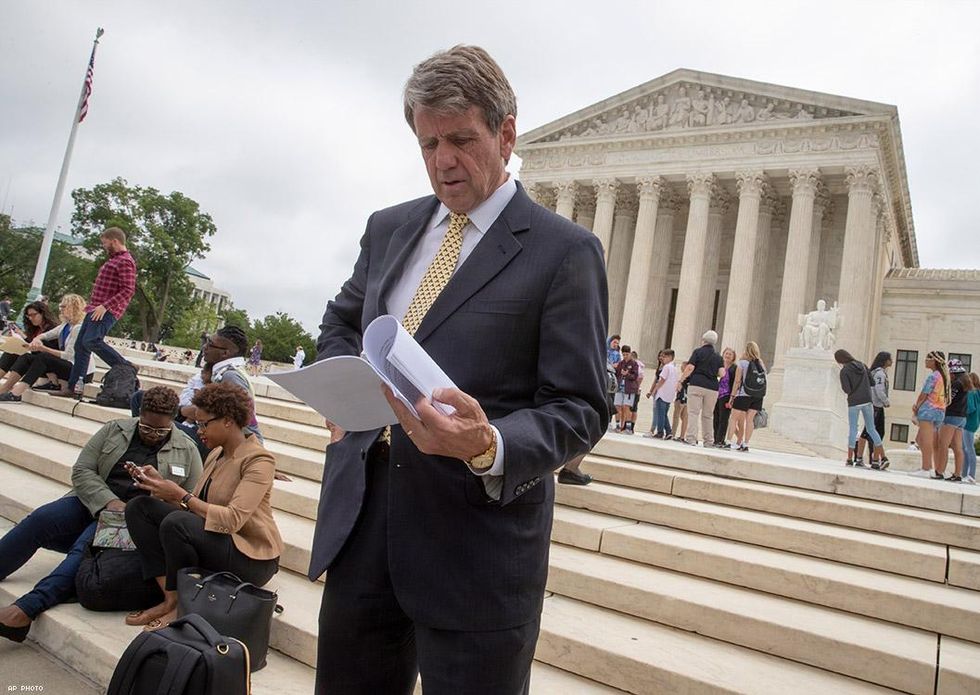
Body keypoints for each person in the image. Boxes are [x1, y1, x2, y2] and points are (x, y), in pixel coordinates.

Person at [310, 45, 608, 695]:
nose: (443, 161)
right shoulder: (388, 228)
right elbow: (339, 322)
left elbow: (582, 406)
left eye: (462, 139)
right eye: (428, 143)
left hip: (478, 548)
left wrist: (489, 443)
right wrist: (340, 382)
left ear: (506, 133)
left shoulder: (566, 252)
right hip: (363, 528)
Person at [0, 387, 201, 643]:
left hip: (133, 522)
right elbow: (82, 470)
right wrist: (109, 501)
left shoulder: (187, 449)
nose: (153, 436)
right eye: (147, 428)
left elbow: (189, 501)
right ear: (140, 415)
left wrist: (160, 492)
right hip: (92, 500)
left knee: (84, 546)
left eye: (161, 431)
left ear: (172, 421)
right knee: (41, 519)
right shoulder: (114, 429)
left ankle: (27, 609)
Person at [124, 383, 282, 630]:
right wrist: (162, 487)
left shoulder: (259, 460)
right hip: (217, 541)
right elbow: (195, 508)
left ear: (228, 421)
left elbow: (232, 520)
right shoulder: (216, 453)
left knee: (178, 523)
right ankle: (171, 598)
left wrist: (182, 496)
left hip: (251, 557)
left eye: (203, 424)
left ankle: (182, 606)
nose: (199, 431)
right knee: (140, 507)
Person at [60, 227, 138, 398]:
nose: (104, 247)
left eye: (105, 243)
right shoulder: (113, 260)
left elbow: (128, 289)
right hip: (94, 309)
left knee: (92, 341)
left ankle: (125, 366)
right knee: (81, 346)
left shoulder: (125, 261)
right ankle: (74, 387)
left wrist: (106, 306)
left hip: (105, 310)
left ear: (115, 241)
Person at [0, 295, 93, 402]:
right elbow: (47, 335)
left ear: (73, 307)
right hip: (67, 365)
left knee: (44, 356)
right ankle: (7, 387)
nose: (60, 309)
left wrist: (43, 348)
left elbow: (69, 355)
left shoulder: (78, 328)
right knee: (26, 357)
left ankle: (16, 393)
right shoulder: (66, 325)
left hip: (80, 371)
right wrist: (37, 339)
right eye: (60, 306)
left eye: (63, 307)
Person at [200, 325, 263, 441]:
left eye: (210, 343)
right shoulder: (222, 372)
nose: (204, 347)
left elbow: (247, 422)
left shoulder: (230, 376)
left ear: (225, 353)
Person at [834, 349, 887, 468]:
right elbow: (872, 383)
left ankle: (849, 459)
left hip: (854, 402)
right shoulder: (863, 365)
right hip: (867, 401)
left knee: (853, 429)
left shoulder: (844, 371)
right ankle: (882, 456)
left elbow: (846, 389)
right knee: (871, 429)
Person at [678, 330, 724, 446]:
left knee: (693, 412)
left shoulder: (698, 352)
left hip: (697, 384)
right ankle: (709, 441)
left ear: (703, 340)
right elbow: (722, 373)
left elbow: (690, 368)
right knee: (708, 415)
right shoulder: (718, 357)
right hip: (712, 387)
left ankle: (691, 438)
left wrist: (680, 380)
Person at [0, 301, 59, 391]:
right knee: (11, 352)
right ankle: (5, 386)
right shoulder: (36, 329)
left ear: (43, 313)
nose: (31, 318)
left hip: (46, 364)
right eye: (29, 316)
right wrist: (20, 336)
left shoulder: (52, 330)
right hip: (35, 359)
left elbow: (46, 349)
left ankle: (6, 387)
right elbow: (31, 344)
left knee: (24, 355)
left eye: (33, 315)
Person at [909, 351, 950, 478]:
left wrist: (916, 407)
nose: (925, 361)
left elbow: (924, 394)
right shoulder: (944, 376)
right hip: (940, 411)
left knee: (926, 440)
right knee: (920, 439)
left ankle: (926, 468)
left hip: (928, 411)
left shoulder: (933, 376)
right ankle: (929, 467)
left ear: (934, 361)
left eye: (928, 359)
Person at [728, 342, 767, 453]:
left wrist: (732, 395)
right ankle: (745, 444)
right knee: (750, 420)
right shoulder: (761, 364)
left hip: (743, 394)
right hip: (757, 396)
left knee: (734, 418)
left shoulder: (742, 363)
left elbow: (737, 381)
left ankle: (729, 441)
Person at [856, 352, 892, 466]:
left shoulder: (877, 372)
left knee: (878, 432)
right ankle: (863, 458)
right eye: (890, 359)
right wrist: (886, 401)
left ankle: (876, 460)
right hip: (875, 406)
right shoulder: (880, 374)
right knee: (867, 432)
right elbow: (879, 390)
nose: (892, 361)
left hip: (876, 406)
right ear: (885, 360)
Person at [936, 359, 970, 482]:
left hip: (951, 417)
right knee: (957, 447)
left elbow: (948, 400)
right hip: (962, 418)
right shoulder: (966, 383)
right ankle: (957, 474)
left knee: (943, 444)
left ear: (953, 373)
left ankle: (939, 471)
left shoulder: (956, 384)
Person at [645, 349, 677, 439]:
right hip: (669, 394)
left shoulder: (667, 367)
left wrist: (654, 390)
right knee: (664, 414)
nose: (662, 358)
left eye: (664, 356)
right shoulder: (674, 368)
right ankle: (669, 431)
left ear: (670, 357)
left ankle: (660, 432)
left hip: (662, 393)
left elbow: (661, 380)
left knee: (660, 413)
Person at [713, 347, 737, 447]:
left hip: (727, 395)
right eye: (726, 354)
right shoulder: (720, 365)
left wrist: (733, 397)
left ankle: (720, 439)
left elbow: (736, 382)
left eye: (730, 354)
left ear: (733, 357)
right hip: (716, 394)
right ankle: (715, 439)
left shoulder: (734, 368)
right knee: (716, 417)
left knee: (724, 418)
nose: (727, 356)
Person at [614, 346, 640, 434]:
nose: (625, 356)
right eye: (623, 354)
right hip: (620, 387)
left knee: (626, 406)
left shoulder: (634, 364)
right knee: (617, 406)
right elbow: (617, 373)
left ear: (630, 353)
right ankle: (618, 425)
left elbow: (635, 376)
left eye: (627, 354)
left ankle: (628, 427)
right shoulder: (621, 363)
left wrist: (627, 374)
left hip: (629, 388)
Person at [964, 373, 980, 484]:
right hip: (975, 422)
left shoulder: (971, 392)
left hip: (968, 423)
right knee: (966, 449)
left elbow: (970, 408)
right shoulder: (978, 393)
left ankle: (970, 475)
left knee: (968, 449)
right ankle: (964, 474)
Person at [672, 361, 689, 441]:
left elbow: (680, 389)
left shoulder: (684, 377)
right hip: (687, 399)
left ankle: (673, 434)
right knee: (685, 417)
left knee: (676, 416)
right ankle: (682, 436)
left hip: (681, 398)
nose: (681, 367)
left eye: (682, 366)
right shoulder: (691, 378)